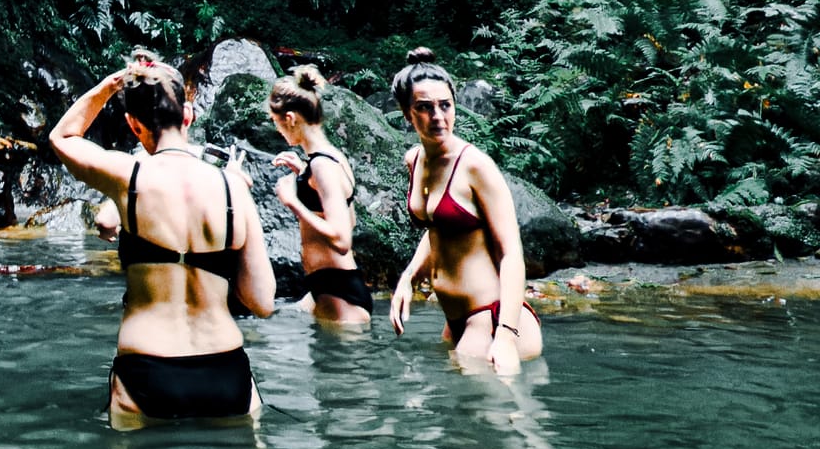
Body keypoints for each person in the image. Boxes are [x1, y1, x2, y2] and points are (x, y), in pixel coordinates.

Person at [49, 55, 275, 425]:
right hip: (225, 371)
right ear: (188, 116)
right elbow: (262, 301)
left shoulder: (127, 175)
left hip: (147, 369)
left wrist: (110, 86)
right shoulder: (232, 186)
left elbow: (62, 136)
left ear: (133, 124)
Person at [387, 48, 543, 375]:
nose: (438, 116)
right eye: (424, 107)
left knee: (494, 406)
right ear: (406, 113)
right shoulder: (414, 160)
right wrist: (408, 278)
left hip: (493, 318)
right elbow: (437, 229)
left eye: (445, 105)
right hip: (456, 321)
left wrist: (505, 336)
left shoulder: (475, 167)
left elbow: (511, 253)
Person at [268, 63, 371, 325]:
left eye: (276, 122)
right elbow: (346, 217)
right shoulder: (329, 159)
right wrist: (303, 174)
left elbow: (342, 238)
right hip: (329, 289)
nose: (277, 129)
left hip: (339, 294)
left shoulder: (323, 166)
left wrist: (292, 201)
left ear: (290, 118)